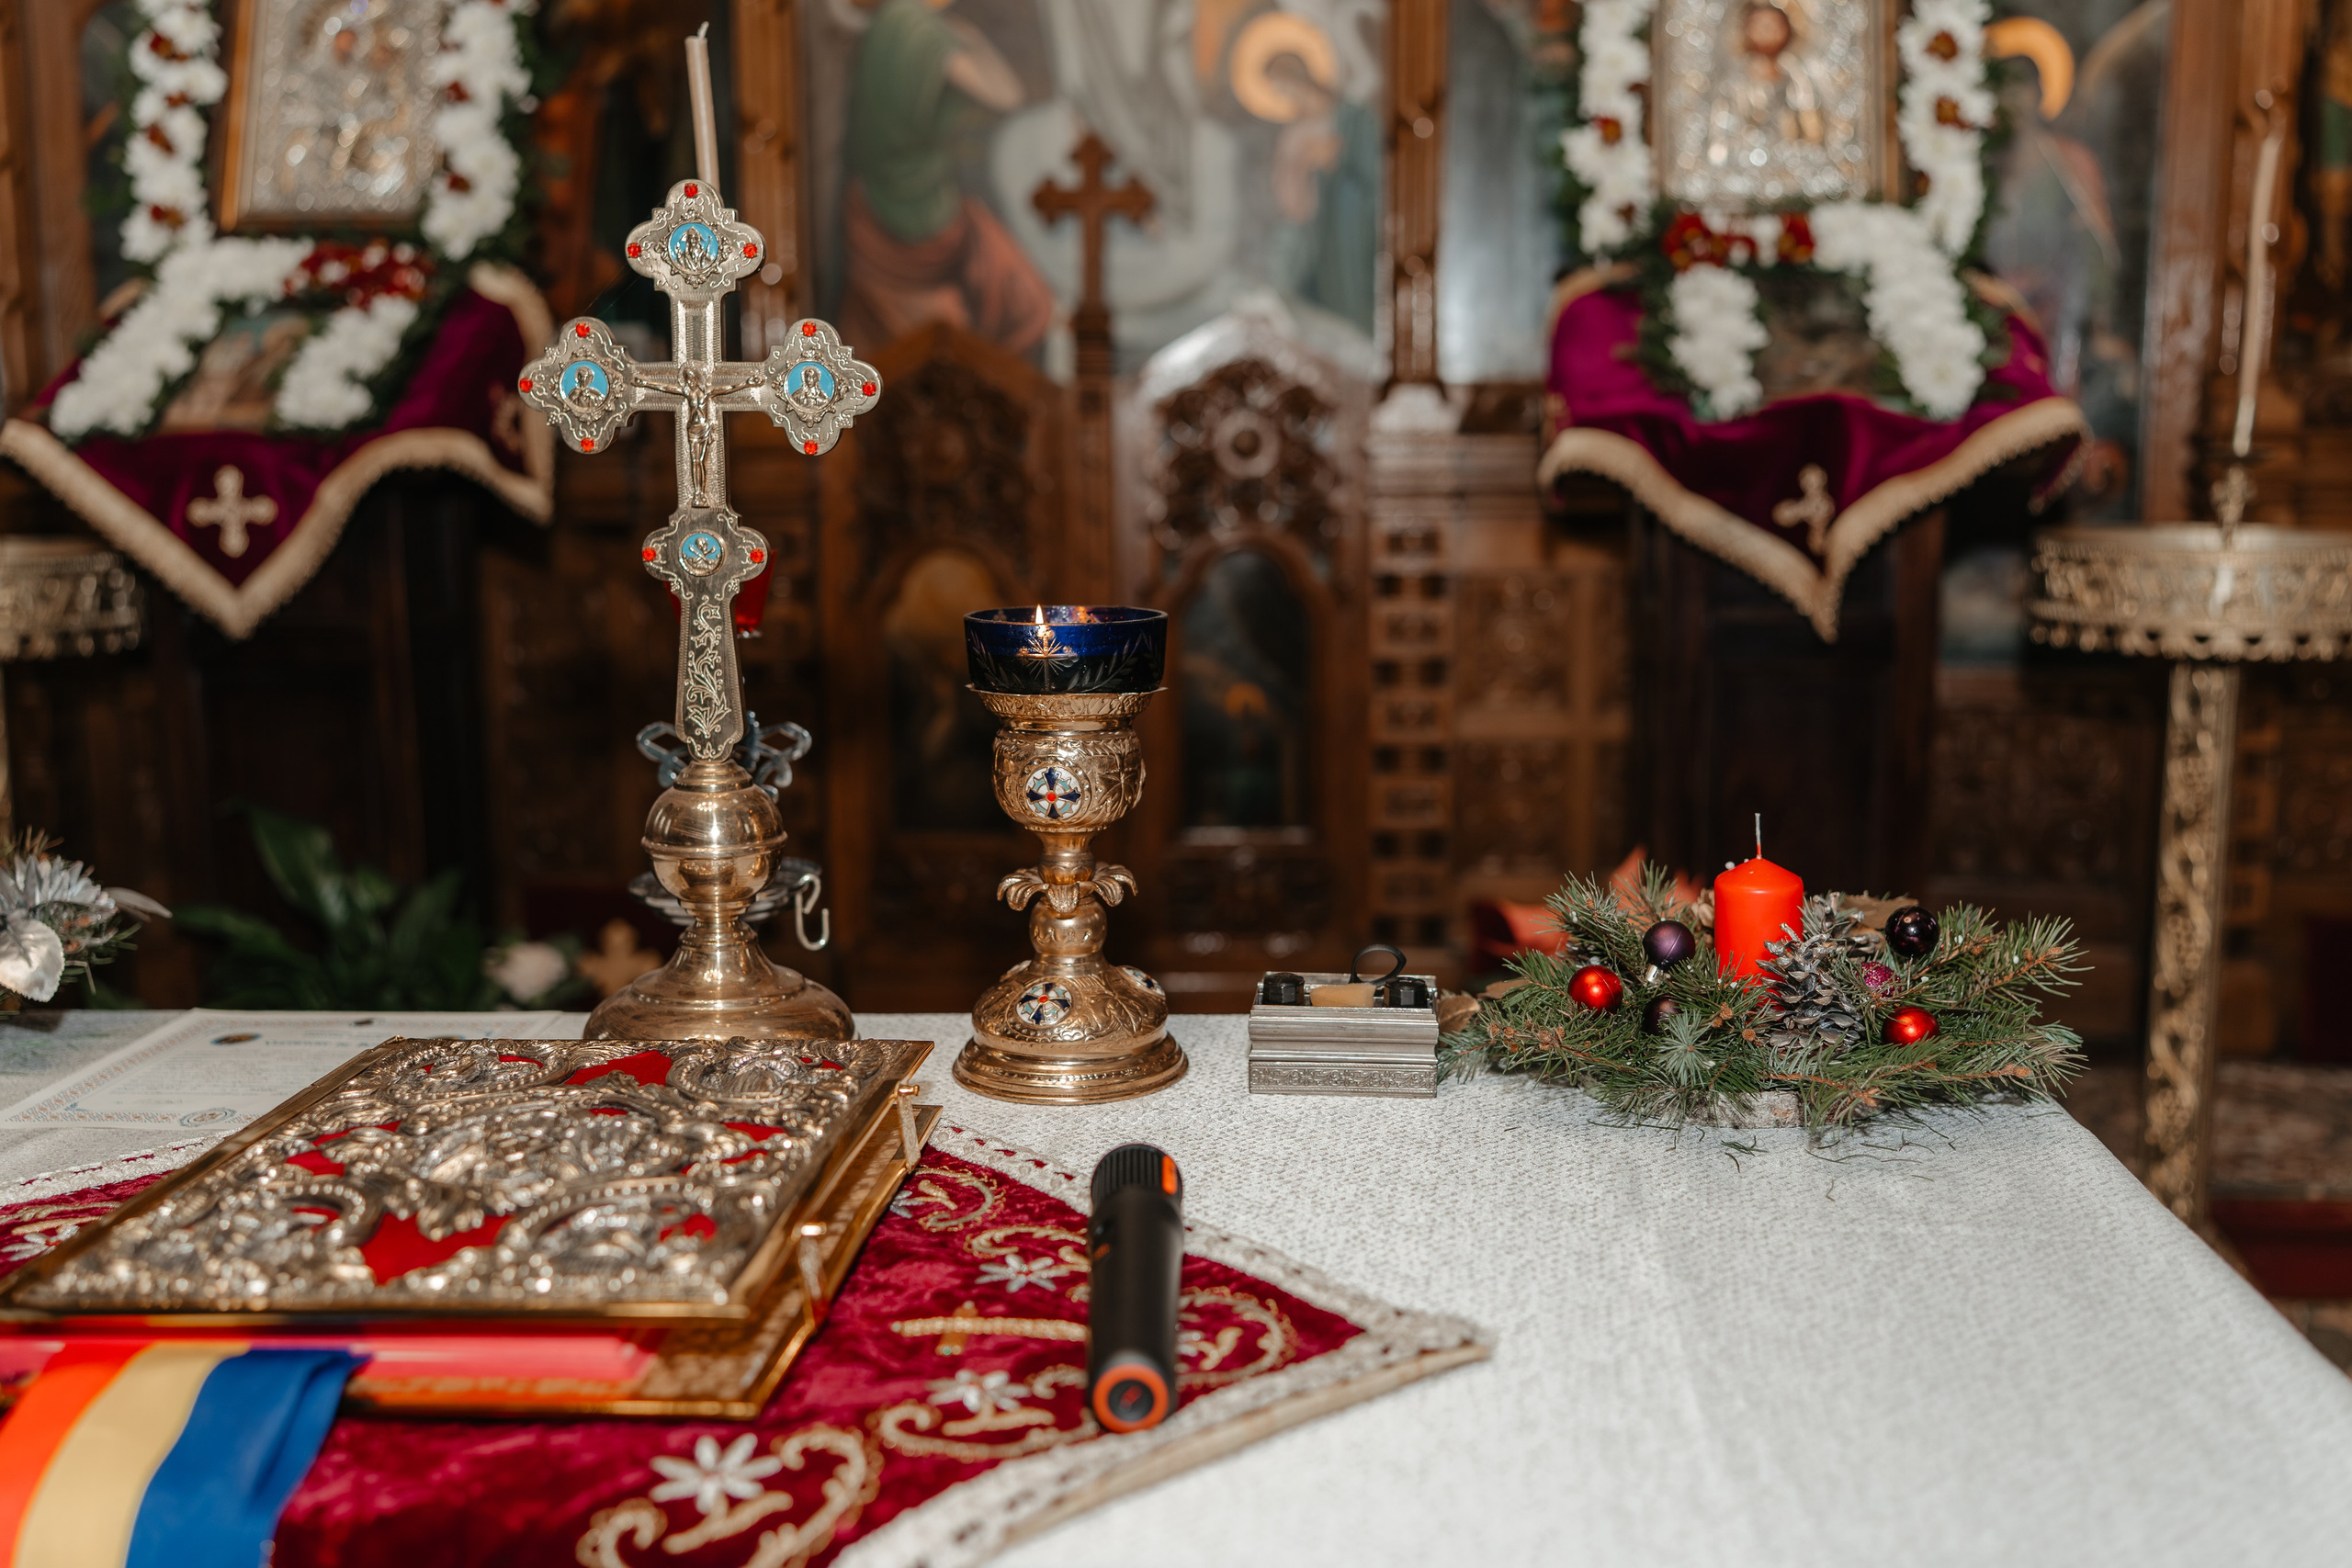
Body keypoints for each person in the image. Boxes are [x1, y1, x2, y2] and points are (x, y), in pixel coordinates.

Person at [840, 0, 1056, 355]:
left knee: (1021, 298)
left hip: (907, 199)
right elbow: (1005, 95)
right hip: (912, 209)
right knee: (1009, 308)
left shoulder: (903, 22)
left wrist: (968, 37)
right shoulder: (914, 26)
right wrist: (969, 40)